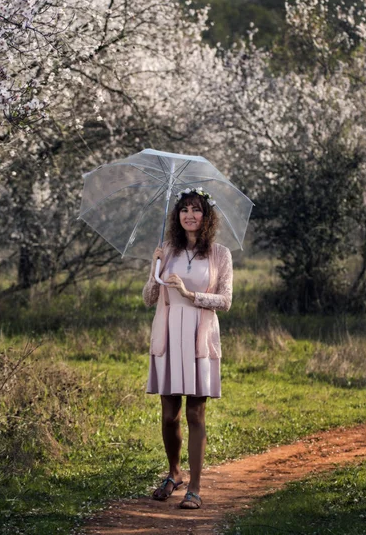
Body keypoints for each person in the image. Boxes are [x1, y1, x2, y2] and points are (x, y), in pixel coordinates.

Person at [142, 187, 233, 510]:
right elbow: (149, 299)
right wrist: (155, 271)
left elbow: (225, 300)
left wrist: (191, 295)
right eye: (184, 210)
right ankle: (173, 473)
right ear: (176, 216)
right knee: (170, 415)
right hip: (167, 334)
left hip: (199, 337)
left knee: (195, 413)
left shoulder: (220, 254)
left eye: (196, 210)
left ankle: (194, 487)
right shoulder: (166, 249)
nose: (190, 215)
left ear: (206, 217)